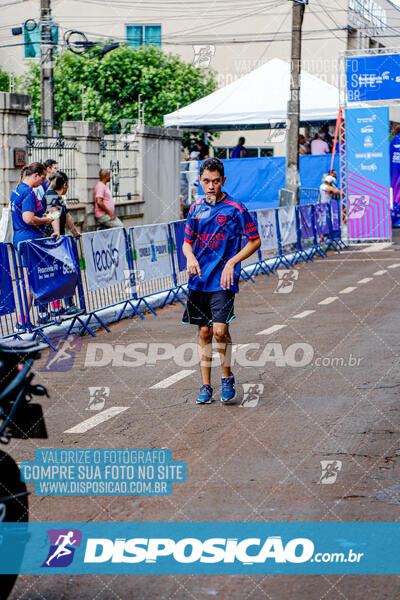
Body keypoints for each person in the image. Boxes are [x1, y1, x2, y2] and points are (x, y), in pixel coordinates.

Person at [182, 157, 261, 405]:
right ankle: (206, 385)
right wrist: (190, 257)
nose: (211, 186)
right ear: (199, 182)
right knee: (204, 331)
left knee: (220, 330)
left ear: (223, 181)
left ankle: (226, 376)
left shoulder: (236, 209)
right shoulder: (195, 209)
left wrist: (232, 262)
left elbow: (254, 240)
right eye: (206, 181)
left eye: (216, 181)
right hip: (199, 280)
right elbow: (186, 243)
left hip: (223, 280)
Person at [10, 162, 54, 328]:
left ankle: (30, 319)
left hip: (22, 239)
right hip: (30, 241)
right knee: (31, 283)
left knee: (31, 281)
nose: (43, 182)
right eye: (42, 178)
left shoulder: (17, 190)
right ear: (36, 175)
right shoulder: (28, 193)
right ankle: (22, 322)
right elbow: (28, 218)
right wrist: (46, 220)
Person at [42, 171, 82, 316]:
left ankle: (67, 305)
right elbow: (54, 212)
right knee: (53, 275)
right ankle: (45, 311)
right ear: (64, 185)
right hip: (50, 241)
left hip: (56, 241)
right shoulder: (51, 195)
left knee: (65, 273)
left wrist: (74, 232)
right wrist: (57, 233)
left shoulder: (58, 197)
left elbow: (67, 215)